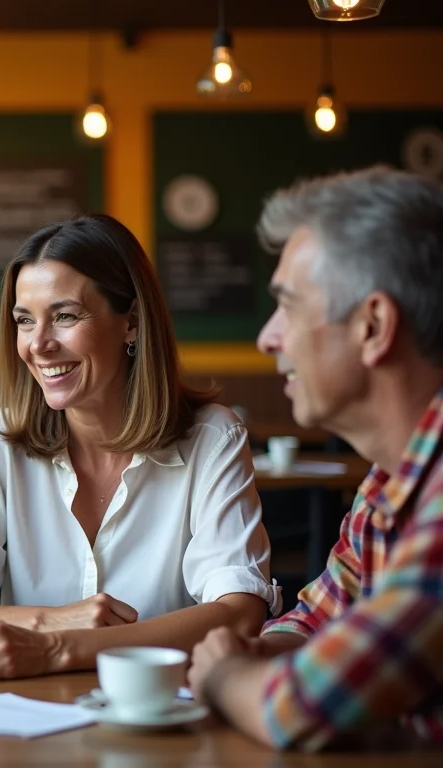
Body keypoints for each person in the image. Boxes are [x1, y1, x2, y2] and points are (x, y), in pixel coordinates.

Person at [0, 213, 279, 679]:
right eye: (24, 321)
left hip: (159, 726)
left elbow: (238, 613)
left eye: (65, 316)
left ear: (131, 323)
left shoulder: (213, 439)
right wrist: (51, 621)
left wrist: (58, 648)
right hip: (27, 729)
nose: (39, 345)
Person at [188, 166, 443, 750]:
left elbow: (303, 710)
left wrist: (225, 674)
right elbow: (317, 620)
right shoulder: (388, 480)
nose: (267, 338)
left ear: (372, 326)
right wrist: (257, 650)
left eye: (289, 308)